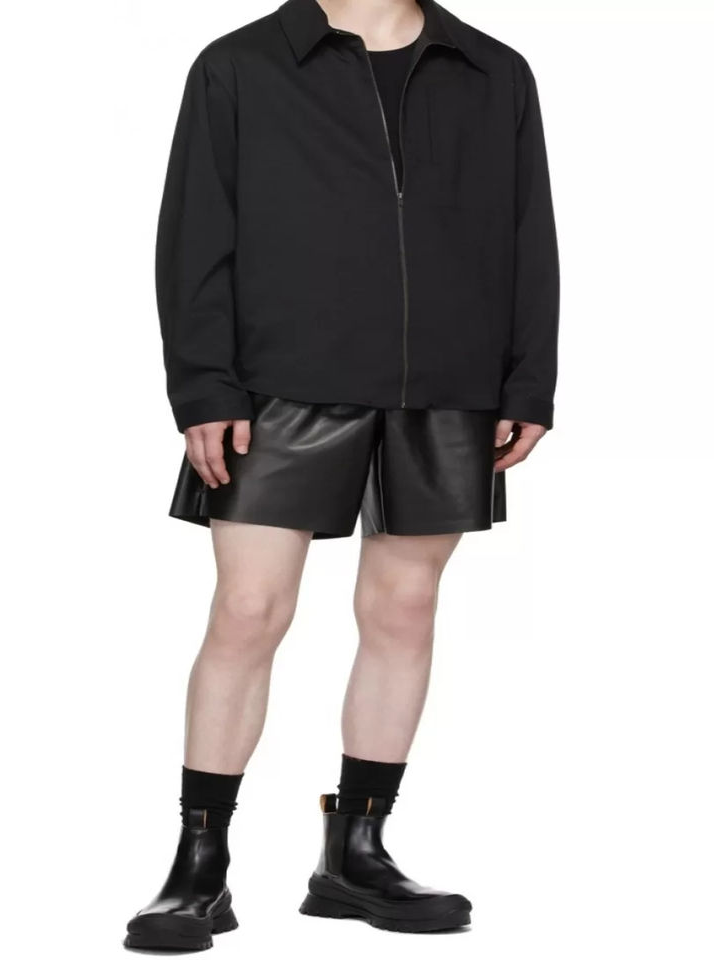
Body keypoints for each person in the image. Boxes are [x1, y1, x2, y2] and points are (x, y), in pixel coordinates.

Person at [124, 0, 559, 950]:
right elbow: (194, 232)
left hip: (448, 378)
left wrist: (529, 378)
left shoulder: (493, 71)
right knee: (248, 610)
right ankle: (199, 864)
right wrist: (203, 386)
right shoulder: (240, 65)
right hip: (279, 379)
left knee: (404, 608)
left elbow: (529, 228)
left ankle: (355, 853)